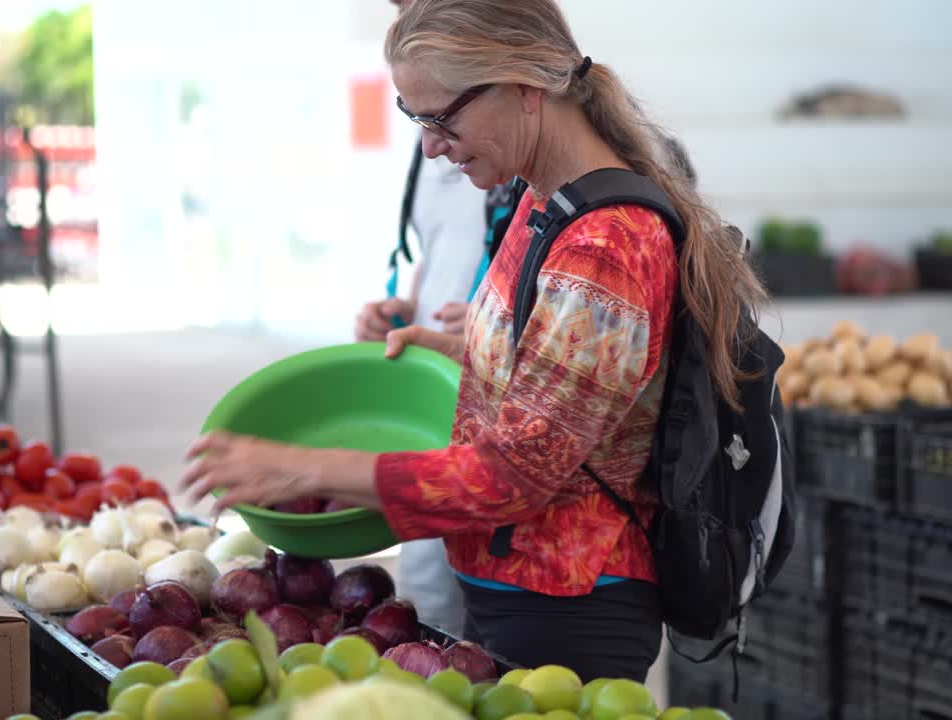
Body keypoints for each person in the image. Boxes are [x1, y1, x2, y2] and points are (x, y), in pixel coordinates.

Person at [182, 0, 766, 681]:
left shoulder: (604, 246)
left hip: (570, 605)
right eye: (415, 119)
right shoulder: (540, 196)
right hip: (510, 585)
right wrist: (459, 350)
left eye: (441, 118)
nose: (430, 145)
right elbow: (569, 380)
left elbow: (519, 471)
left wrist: (311, 467)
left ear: (524, 89)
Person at [350, 0, 489, 640]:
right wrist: (402, 309)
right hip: (431, 406)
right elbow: (438, 251)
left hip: (500, 419)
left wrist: (499, 318)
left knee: (486, 622)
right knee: (428, 605)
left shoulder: (513, 131)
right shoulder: (431, 134)